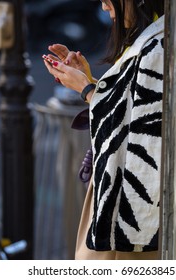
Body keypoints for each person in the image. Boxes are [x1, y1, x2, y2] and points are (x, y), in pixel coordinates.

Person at [43, 0, 165, 260]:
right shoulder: (154, 39)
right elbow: (135, 110)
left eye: (108, 0)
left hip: (130, 209)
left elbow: (143, 133)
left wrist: (87, 90)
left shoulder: (156, 47)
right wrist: (86, 81)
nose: (104, 7)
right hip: (127, 200)